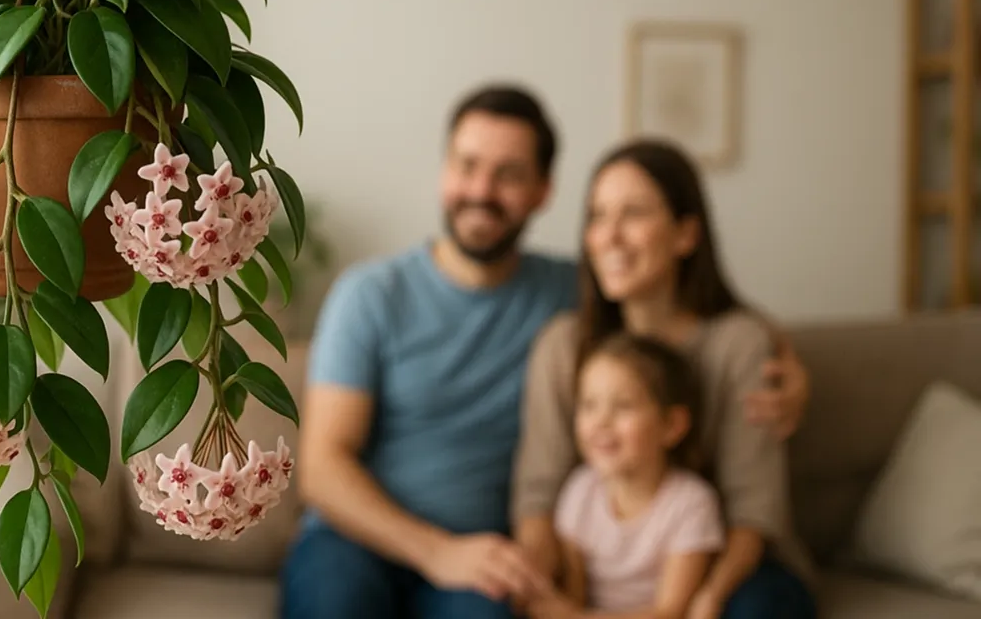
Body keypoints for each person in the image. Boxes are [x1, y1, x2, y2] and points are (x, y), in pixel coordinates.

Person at [278, 86, 810, 619]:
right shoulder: (374, 295)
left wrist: (786, 359)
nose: (481, 189)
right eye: (467, 165)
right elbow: (322, 469)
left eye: (508, 174)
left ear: (542, 191)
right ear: (445, 172)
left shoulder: (573, 295)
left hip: (485, 555)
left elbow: (694, 308)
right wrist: (442, 554)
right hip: (355, 544)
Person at [511, 138, 817, 619]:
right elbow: (538, 495)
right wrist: (543, 594)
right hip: (603, 576)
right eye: (597, 215)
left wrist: (706, 599)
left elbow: (754, 514)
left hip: (732, 569)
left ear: (685, 234)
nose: (609, 236)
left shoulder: (738, 345)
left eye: (633, 213)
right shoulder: (564, 346)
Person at [529, 333, 726, 618]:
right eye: (588, 405)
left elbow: (670, 611)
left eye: (623, 406)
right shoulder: (579, 491)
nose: (601, 422)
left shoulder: (691, 504)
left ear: (671, 425)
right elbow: (575, 593)